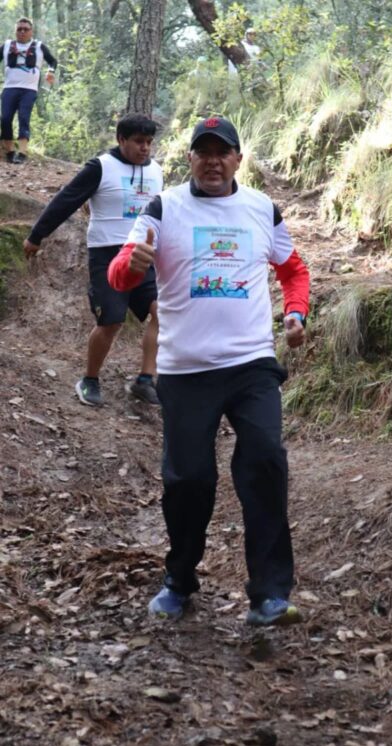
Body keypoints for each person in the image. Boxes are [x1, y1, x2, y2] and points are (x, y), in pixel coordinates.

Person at [108, 117, 310, 626]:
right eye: (204, 152)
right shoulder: (164, 207)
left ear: (238, 160)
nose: (213, 161)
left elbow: (293, 268)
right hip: (185, 368)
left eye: (224, 152)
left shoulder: (262, 208)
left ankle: (269, 593)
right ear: (191, 159)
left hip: (251, 364)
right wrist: (132, 265)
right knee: (190, 479)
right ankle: (179, 579)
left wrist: (296, 311)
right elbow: (120, 270)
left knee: (265, 462)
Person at [23, 113, 163, 407]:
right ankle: (89, 378)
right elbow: (67, 199)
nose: (145, 148)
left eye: (149, 142)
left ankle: (145, 379)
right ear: (121, 139)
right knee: (111, 321)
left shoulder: (156, 172)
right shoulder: (101, 167)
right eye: (139, 141)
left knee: (163, 312)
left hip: (143, 255)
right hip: (107, 254)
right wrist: (37, 236)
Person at [0, 17, 57, 163]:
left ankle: (22, 153)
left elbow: (53, 61)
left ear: (31, 31)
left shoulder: (39, 46)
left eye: (26, 29)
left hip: (29, 89)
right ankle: (10, 151)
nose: (22, 32)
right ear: (15, 31)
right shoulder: (7, 45)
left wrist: (50, 71)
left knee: (23, 118)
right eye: (19, 29)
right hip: (9, 88)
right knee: (5, 119)